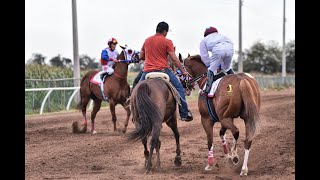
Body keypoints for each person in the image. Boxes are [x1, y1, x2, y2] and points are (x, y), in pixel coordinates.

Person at [138, 21, 193, 122]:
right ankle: (184, 114)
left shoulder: (147, 41)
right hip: (163, 71)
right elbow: (175, 59)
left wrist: (151, 57)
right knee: (179, 89)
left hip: (147, 71)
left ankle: (135, 114)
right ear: (164, 31)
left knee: (137, 90)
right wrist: (183, 71)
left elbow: (141, 56)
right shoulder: (167, 41)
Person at [199, 26, 235, 96]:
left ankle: (207, 90)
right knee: (227, 68)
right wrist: (220, 65)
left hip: (218, 50)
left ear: (205, 35)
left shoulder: (204, 40)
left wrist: (209, 66)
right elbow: (225, 50)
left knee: (211, 70)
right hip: (230, 49)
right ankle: (234, 84)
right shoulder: (222, 36)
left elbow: (204, 57)